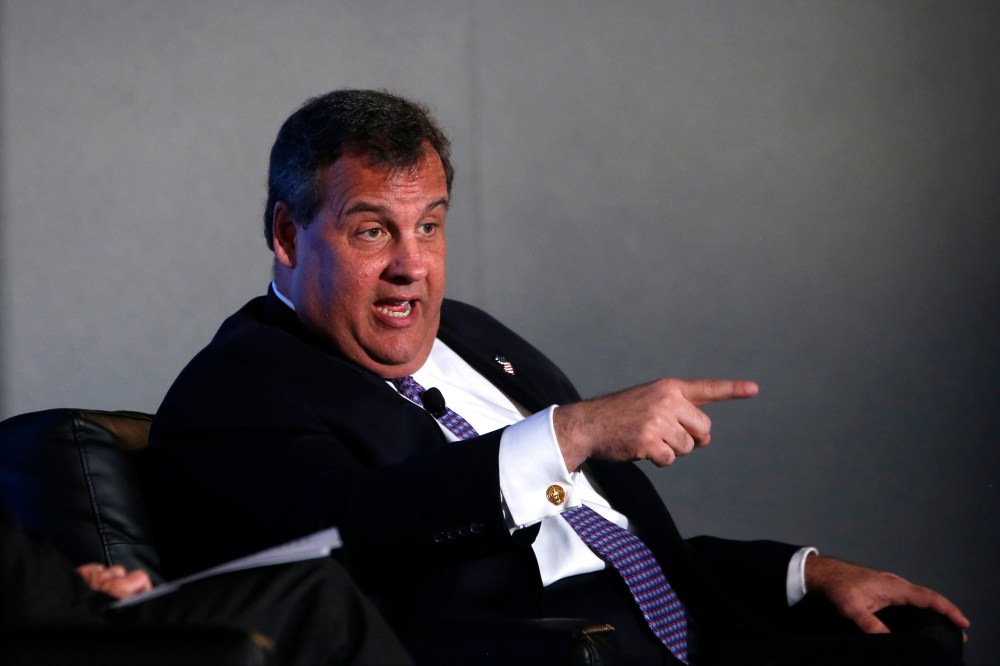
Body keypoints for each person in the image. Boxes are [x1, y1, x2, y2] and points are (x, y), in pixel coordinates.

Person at [150, 89, 969, 664]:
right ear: (288, 236)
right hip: (537, 652)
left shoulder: (472, 337)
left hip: (697, 638)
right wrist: (569, 433)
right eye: (372, 231)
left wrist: (801, 573)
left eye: (429, 227)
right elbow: (352, 542)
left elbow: (610, 543)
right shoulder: (237, 389)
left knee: (916, 642)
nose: (411, 268)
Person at [0, 500, 412, 665]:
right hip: (52, 635)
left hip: (52, 609)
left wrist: (74, 583)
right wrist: (77, 596)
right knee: (315, 594)